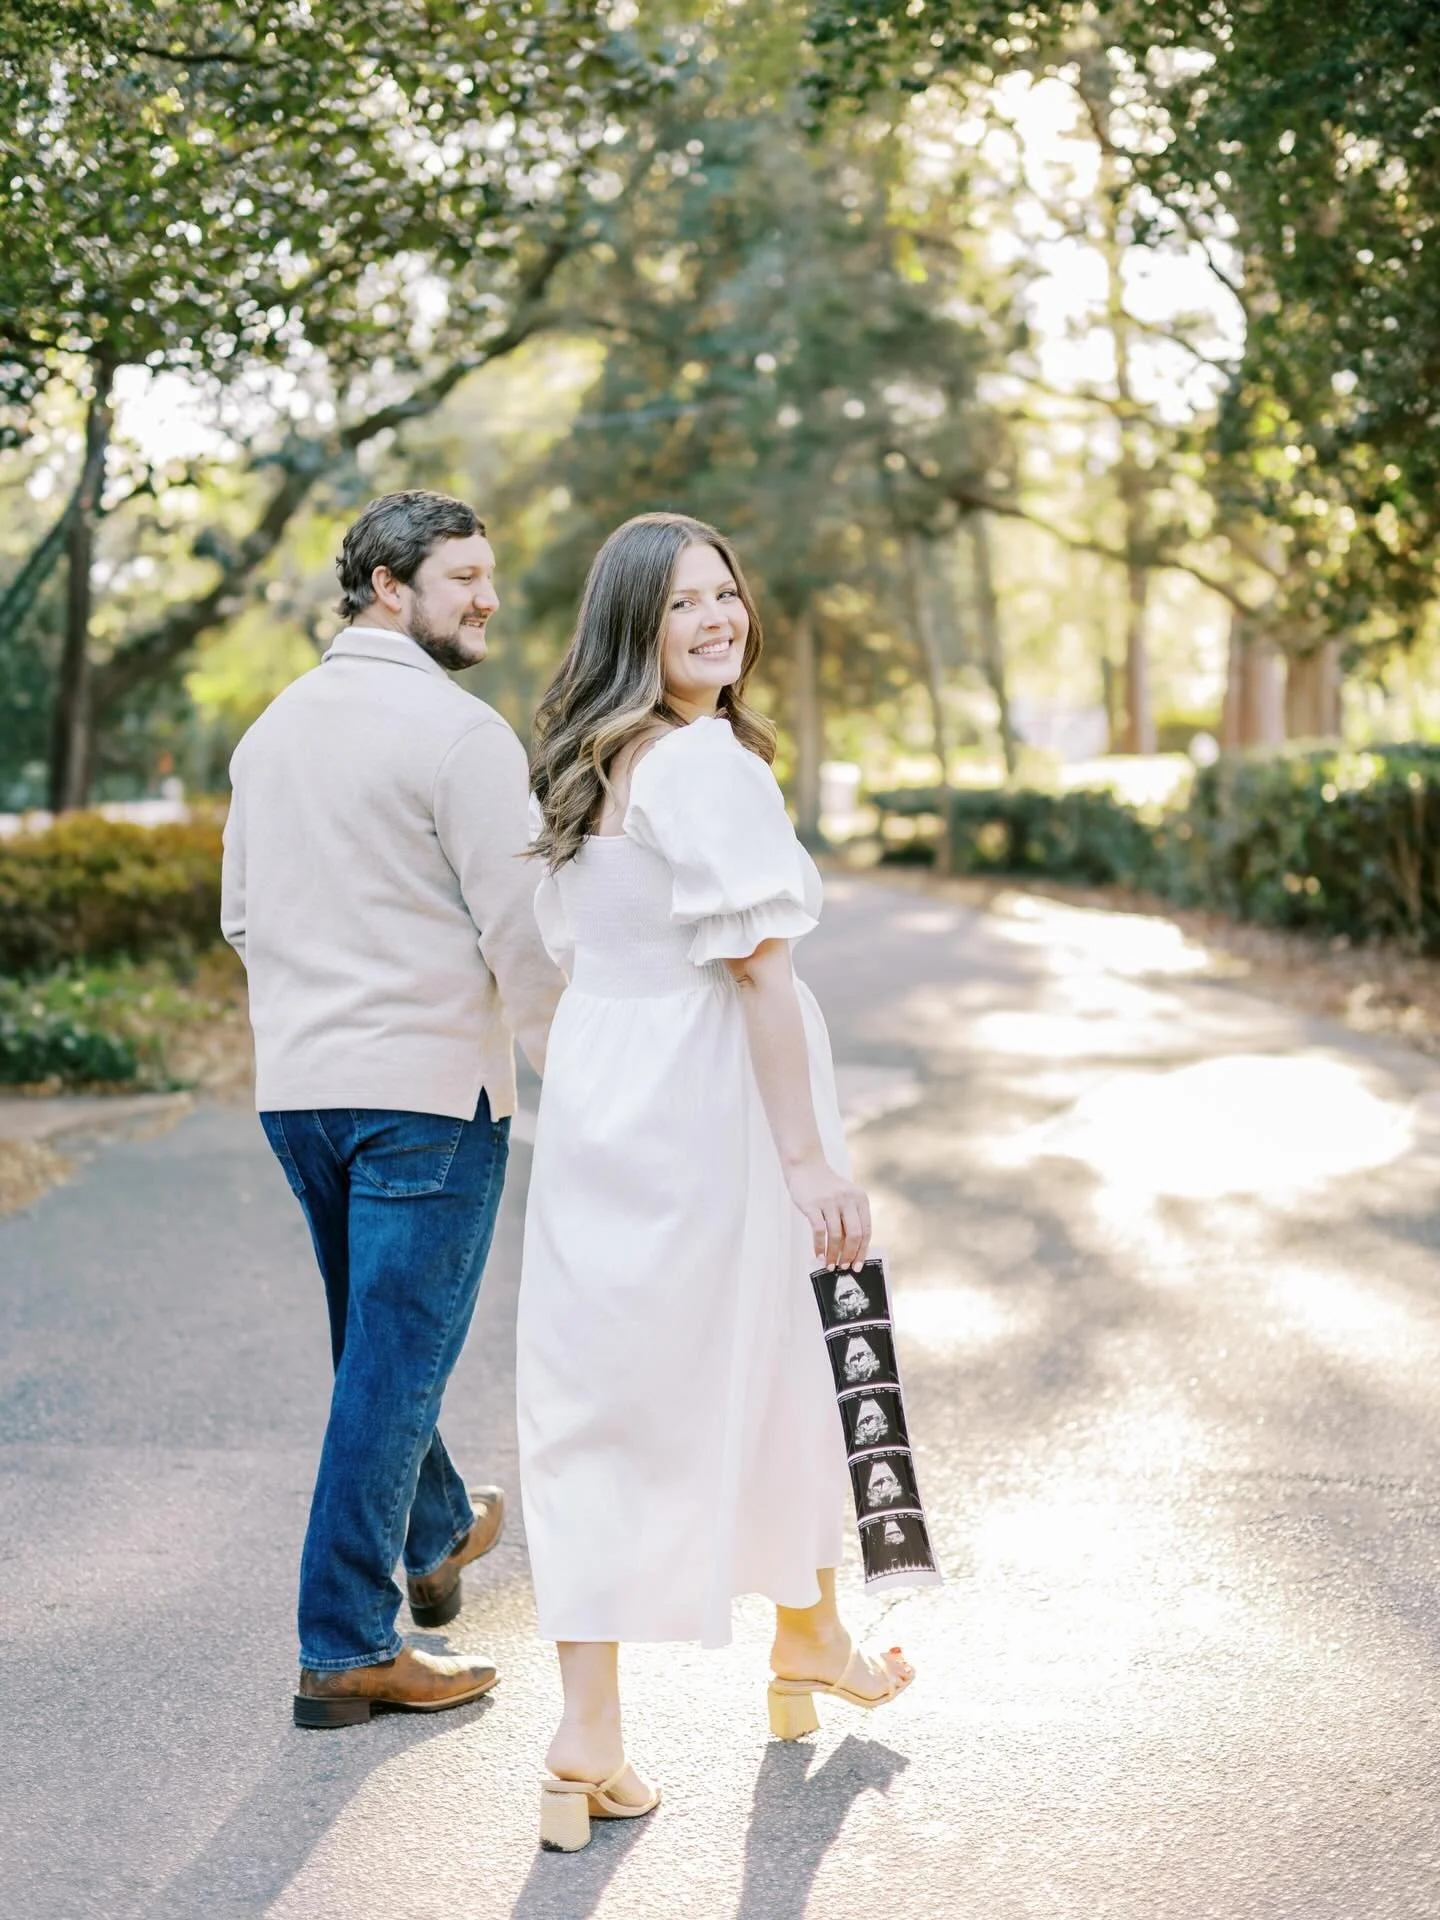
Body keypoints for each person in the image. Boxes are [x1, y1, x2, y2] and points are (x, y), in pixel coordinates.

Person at [518, 512, 914, 1852]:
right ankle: (810, 1635)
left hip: (603, 1112)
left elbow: (577, 960)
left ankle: (591, 1733)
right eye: (683, 602)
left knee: (596, 1402)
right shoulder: (704, 764)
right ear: (634, 624)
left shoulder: (590, 766)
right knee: (783, 1365)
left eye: (726, 594)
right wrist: (807, 1157)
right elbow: (758, 971)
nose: (717, 618)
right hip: (713, 1111)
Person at [221, 490, 563, 1728]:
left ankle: (436, 1531)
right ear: (387, 585)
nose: (488, 598)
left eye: (487, 576)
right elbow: (523, 932)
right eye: (464, 577)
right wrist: (576, 1077)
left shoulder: (270, 734)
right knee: (394, 1361)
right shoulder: (460, 735)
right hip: (426, 1098)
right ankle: (347, 1643)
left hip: (300, 1095)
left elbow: (242, 918)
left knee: (377, 1349)